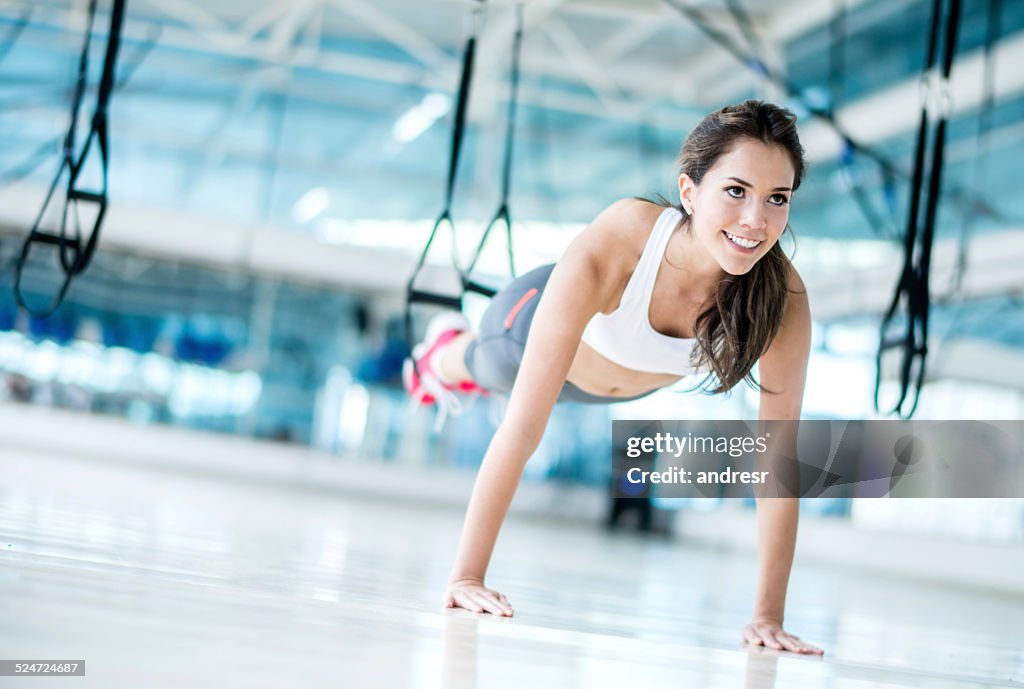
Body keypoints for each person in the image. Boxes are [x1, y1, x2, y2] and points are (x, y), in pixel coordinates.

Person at [404, 100, 823, 655]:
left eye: (778, 199)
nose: (756, 220)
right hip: (527, 331)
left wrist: (768, 616)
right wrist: (466, 578)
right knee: (485, 364)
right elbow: (524, 427)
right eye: (736, 191)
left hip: (615, 385)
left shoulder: (782, 302)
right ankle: (438, 353)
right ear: (690, 191)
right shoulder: (627, 238)